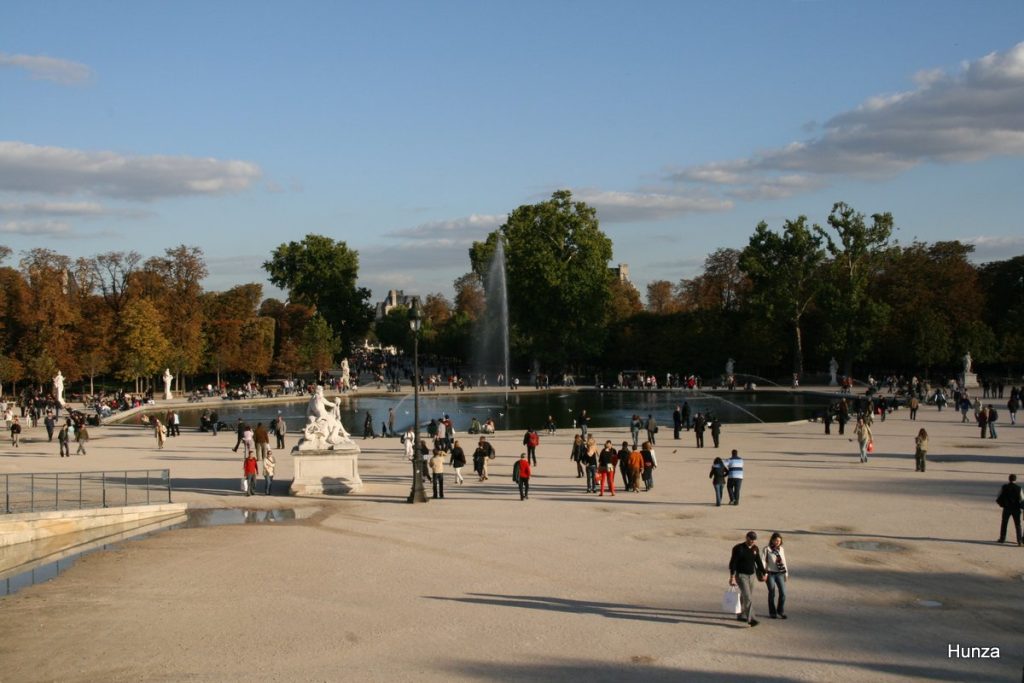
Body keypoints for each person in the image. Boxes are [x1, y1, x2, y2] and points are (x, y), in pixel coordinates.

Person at [729, 531, 766, 627]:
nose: (752, 541)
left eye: (754, 539)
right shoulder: (738, 548)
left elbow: (758, 561)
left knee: (745, 596)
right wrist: (732, 577)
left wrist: (764, 573)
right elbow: (733, 563)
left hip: (752, 576)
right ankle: (751, 619)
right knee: (748, 597)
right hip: (741, 576)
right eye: (751, 539)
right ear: (747, 538)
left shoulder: (755, 548)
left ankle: (740, 614)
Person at [762, 532, 789, 619]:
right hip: (770, 573)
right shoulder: (767, 549)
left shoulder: (781, 549)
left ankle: (780, 611)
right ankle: (772, 612)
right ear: (772, 540)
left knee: (783, 593)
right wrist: (764, 573)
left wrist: (786, 573)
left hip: (780, 573)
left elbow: (783, 561)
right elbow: (763, 561)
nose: (777, 542)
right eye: (776, 540)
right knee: (772, 592)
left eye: (779, 541)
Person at [996, 474, 1022, 545]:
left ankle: (1002, 538)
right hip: (1016, 509)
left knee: (1004, 523)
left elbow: (998, 496)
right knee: (1018, 525)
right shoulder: (1019, 488)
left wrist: (1002, 504)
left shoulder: (1004, 487)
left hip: (1006, 508)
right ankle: (1019, 541)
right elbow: (1022, 499)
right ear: (1015, 480)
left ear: (1009, 479)